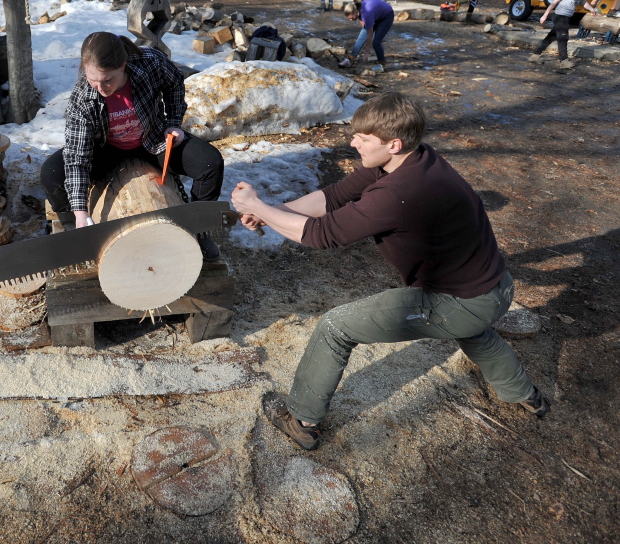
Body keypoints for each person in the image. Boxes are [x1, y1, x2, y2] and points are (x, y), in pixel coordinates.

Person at [230, 92, 549, 451]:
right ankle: (524, 395)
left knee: (335, 327)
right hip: (494, 287)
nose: (352, 142)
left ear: (393, 143)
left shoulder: (398, 193)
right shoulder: (416, 160)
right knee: (474, 330)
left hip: (462, 302)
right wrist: (271, 211)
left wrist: (258, 205)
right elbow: (333, 198)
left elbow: (322, 235)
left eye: (363, 139)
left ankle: (302, 420)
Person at [40, 32, 225, 260]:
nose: (101, 88)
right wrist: (80, 212)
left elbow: (175, 82)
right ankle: (75, 229)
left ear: (123, 66)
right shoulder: (82, 98)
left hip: (152, 141)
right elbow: (77, 157)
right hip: (106, 149)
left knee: (210, 163)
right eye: (93, 80)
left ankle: (200, 228)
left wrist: (173, 123)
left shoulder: (150, 62)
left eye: (108, 80)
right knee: (52, 174)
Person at [528, 0, 599, 70]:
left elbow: (582, 1)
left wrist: (591, 9)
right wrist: (545, 15)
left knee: (551, 37)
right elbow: (554, 2)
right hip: (560, 15)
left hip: (568, 15)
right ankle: (564, 61)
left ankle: (534, 56)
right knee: (563, 37)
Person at [343, 0, 394, 72]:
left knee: (376, 42)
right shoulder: (358, 7)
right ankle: (351, 58)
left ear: (356, 12)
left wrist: (367, 52)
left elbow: (370, 34)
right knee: (361, 37)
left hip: (386, 16)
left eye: (352, 17)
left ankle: (381, 65)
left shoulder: (367, 14)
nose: (350, 20)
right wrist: (363, 24)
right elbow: (364, 25)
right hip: (375, 14)